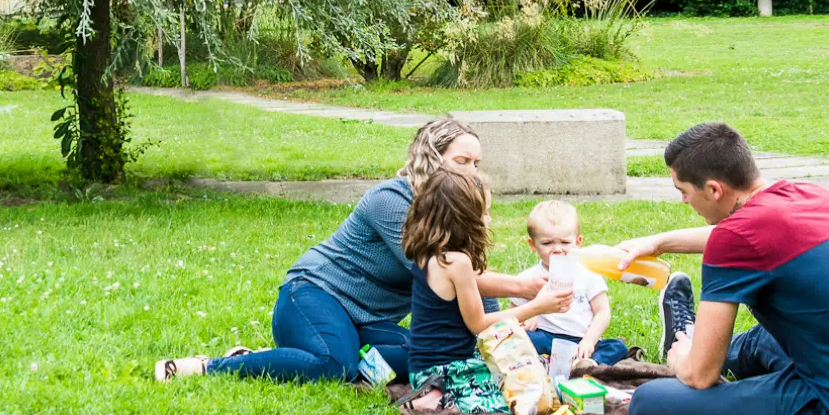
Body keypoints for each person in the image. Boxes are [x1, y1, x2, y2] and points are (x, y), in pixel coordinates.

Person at [153, 118, 557, 383]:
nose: (472, 171)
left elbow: (465, 288)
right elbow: (454, 276)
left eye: (476, 162)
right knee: (335, 366)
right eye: (462, 161)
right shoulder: (393, 201)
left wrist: (509, 321)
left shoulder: (448, 212)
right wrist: (525, 292)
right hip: (313, 296)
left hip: (367, 319)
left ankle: (281, 358)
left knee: (427, 357)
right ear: (430, 159)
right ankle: (214, 365)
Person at [619, 122, 829, 415]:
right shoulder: (808, 195)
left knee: (649, 401)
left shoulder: (734, 239)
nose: (684, 200)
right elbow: (745, 236)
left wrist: (682, 366)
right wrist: (659, 243)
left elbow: (701, 376)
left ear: (715, 189)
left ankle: (685, 347)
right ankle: (690, 338)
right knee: (762, 338)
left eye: (684, 190)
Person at [400, 167, 569, 413]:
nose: (488, 220)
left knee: (533, 369)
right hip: (447, 370)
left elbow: (474, 281)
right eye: (485, 213)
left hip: (423, 368)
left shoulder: (429, 252)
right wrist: (537, 307)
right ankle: (438, 400)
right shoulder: (457, 263)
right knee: (527, 397)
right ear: (462, 219)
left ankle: (436, 394)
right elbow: (479, 325)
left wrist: (525, 288)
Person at [508, 200, 632, 367]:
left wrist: (589, 340)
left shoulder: (588, 273)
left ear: (578, 242)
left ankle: (588, 365)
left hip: (580, 340)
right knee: (518, 339)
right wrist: (526, 319)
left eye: (565, 242)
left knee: (617, 347)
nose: (557, 249)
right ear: (533, 245)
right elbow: (511, 316)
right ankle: (543, 363)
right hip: (547, 337)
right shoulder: (529, 278)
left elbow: (602, 312)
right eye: (547, 243)